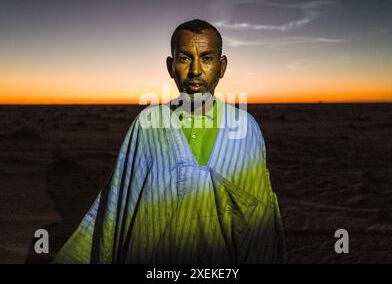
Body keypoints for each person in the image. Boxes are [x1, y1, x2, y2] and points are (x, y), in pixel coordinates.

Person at [53, 19, 285, 264]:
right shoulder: (147, 125)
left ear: (222, 66)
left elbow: (260, 221)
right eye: (184, 58)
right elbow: (118, 208)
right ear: (170, 66)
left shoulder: (246, 128)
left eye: (206, 58)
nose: (195, 70)